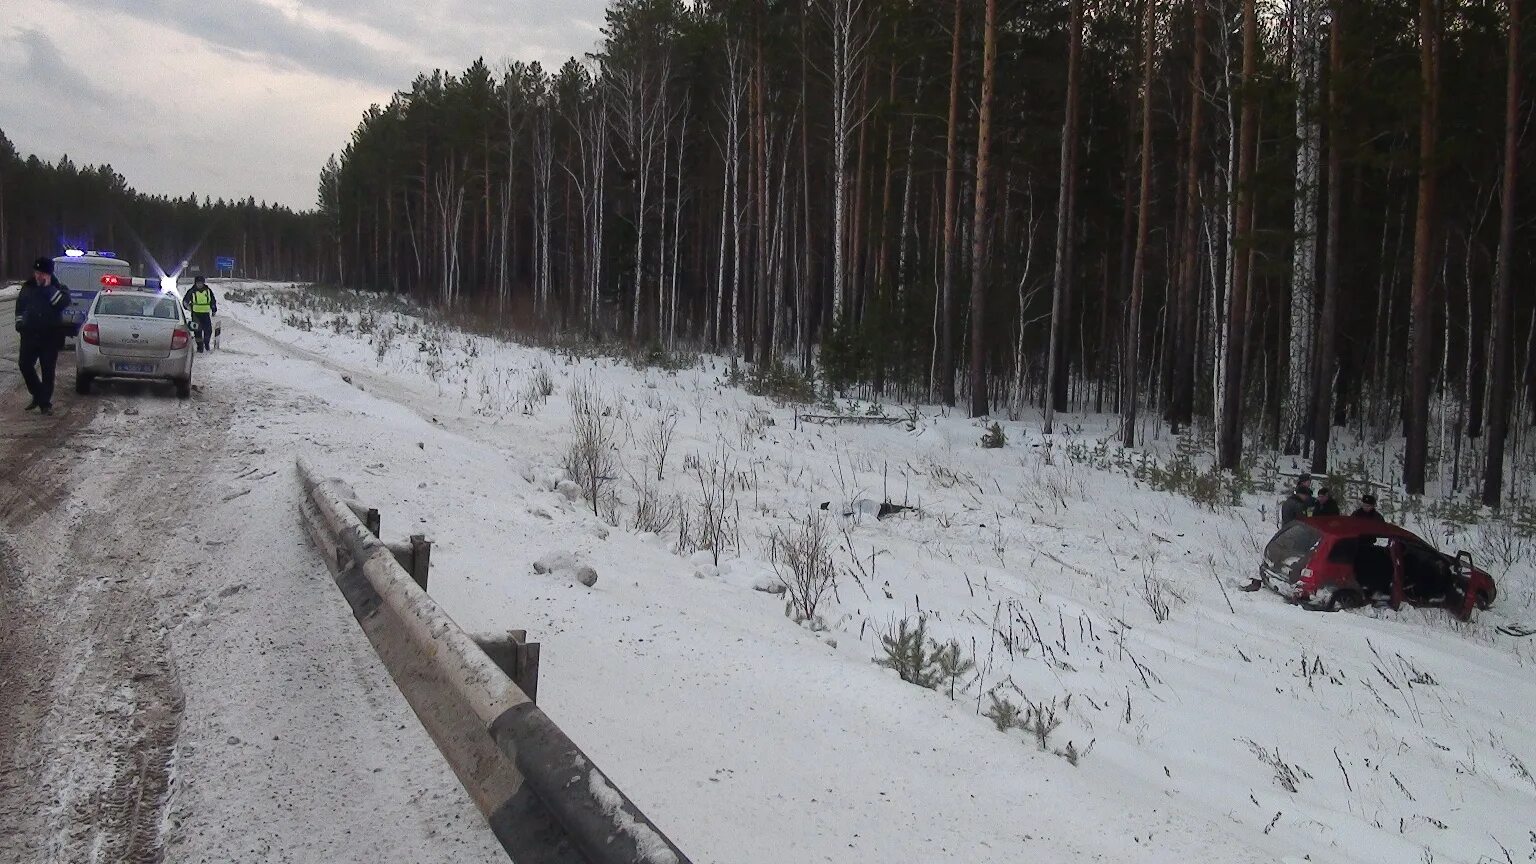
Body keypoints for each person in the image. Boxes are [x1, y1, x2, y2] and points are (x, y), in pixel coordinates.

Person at [15, 256, 71, 414]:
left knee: (48, 371)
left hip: (50, 337)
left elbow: (60, 303)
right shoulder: (28, 287)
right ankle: (38, 394)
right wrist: (19, 323)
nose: (38, 276)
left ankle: (45, 404)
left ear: (49, 274)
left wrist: (48, 288)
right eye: (36, 272)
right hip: (29, 335)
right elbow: (20, 308)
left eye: (42, 273)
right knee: (24, 365)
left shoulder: (59, 289)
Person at [182, 275, 217, 352]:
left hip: (205, 314)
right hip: (195, 314)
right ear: (195, 283)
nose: (199, 285)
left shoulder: (208, 290)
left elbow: (212, 301)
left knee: (208, 330)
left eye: (201, 283)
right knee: (197, 331)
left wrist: (214, 309)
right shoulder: (192, 291)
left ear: (203, 283)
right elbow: (185, 301)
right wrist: (188, 308)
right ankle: (200, 347)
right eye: (198, 283)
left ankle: (206, 343)